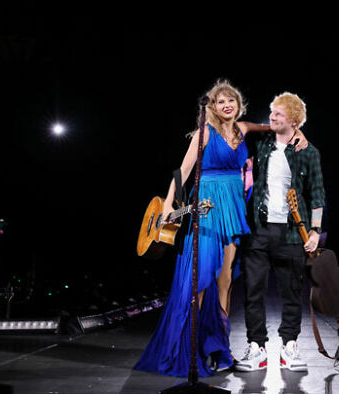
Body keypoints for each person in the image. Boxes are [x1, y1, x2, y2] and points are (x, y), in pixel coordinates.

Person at [134, 80, 307, 377]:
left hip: (234, 206)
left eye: (232, 101)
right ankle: (192, 346)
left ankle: (218, 346)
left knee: (225, 279)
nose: (227, 105)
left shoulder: (244, 128)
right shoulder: (204, 133)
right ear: (212, 106)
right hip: (208, 205)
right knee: (200, 279)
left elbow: (275, 127)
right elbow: (184, 170)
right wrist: (168, 205)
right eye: (221, 101)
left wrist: (297, 132)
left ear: (239, 105)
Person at [234, 92, 325, 373]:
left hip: (290, 233)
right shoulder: (262, 144)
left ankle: (289, 346)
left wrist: (315, 231)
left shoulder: (308, 152)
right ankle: (256, 347)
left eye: (279, 114)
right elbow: (241, 126)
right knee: (253, 290)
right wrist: (280, 128)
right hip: (258, 229)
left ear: (295, 120)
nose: (272, 117)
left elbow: (317, 193)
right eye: (272, 112)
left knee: (291, 291)